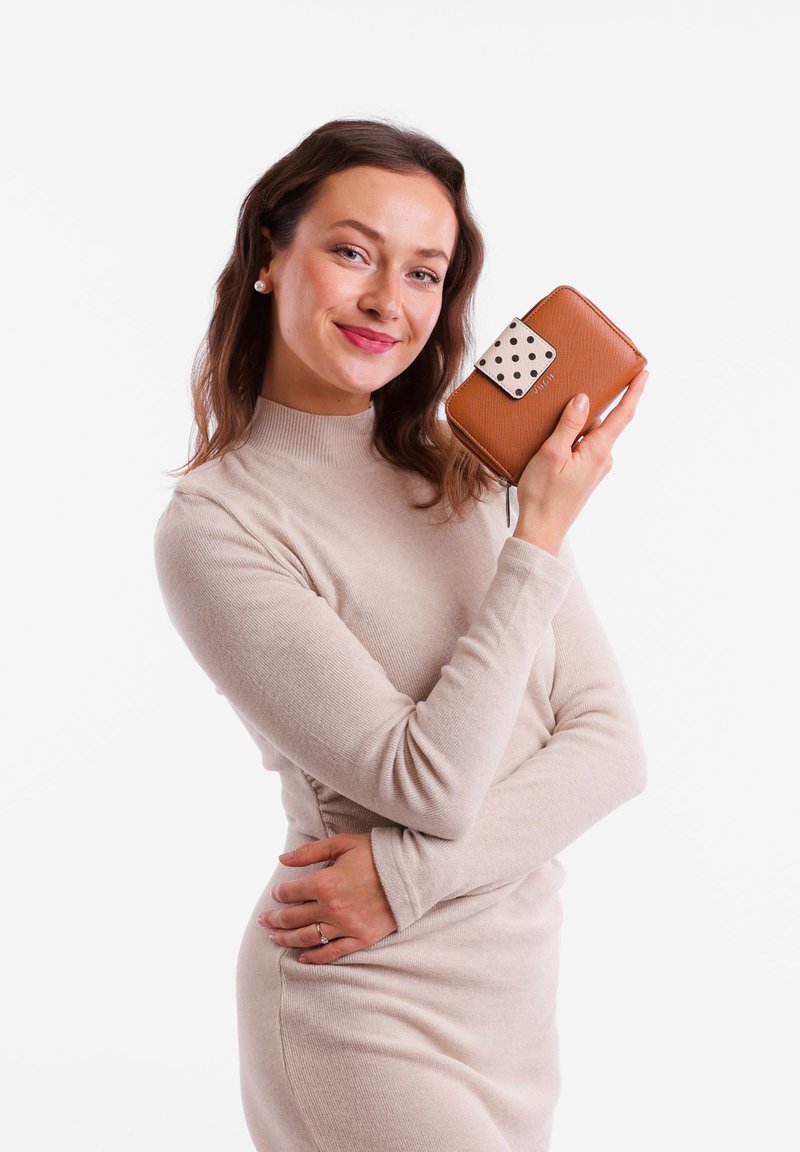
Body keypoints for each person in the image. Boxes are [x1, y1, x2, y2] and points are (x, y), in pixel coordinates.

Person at [153, 117, 648, 1152]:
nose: (390, 301)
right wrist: (540, 533)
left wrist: (410, 876)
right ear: (263, 258)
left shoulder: (461, 470)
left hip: (509, 1010)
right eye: (351, 252)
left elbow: (609, 748)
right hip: (360, 1010)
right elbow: (426, 784)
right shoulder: (219, 524)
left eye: (425, 272)